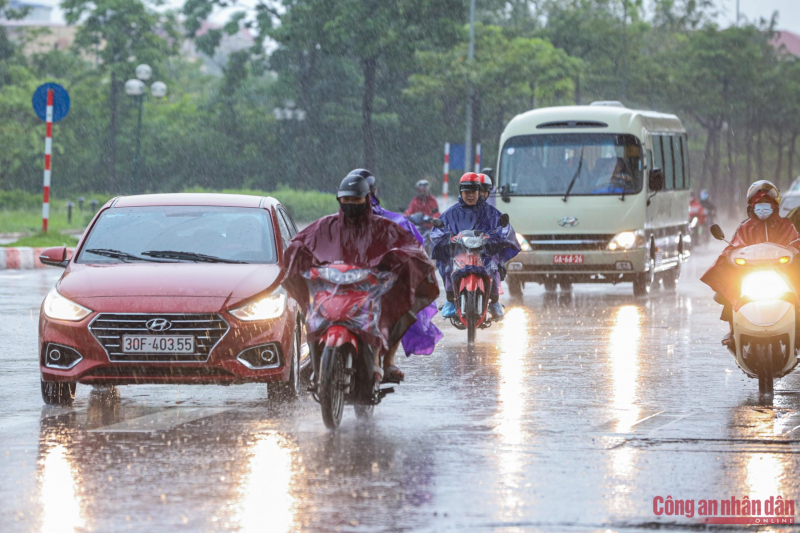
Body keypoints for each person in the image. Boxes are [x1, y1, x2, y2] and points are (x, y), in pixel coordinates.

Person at [281, 172, 439, 384]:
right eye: (346, 200)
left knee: (388, 312)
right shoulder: (327, 226)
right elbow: (302, 242)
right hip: (333, 290)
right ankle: (315, 363)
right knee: (312, 317)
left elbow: (409, 247)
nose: (351, 204)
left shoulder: (385, 226)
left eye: (356, 199)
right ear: (339, 199)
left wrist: (399, 264)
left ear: (368, 198)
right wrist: (296, 256)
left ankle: (382, 361)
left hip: (371, 291)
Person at [353, 168, 443, 376]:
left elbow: (413, 246)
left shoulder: (391, 221)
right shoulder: (335, 223)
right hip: (348, 280)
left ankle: (387, 361)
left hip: (379, 281)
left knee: (401, 306)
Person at [701, 180, 800, 345]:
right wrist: (730, 258)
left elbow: (795, 243)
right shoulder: (744, 228)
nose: (762, 207)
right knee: (729, 293)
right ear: (752, 206)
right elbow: (733, 248)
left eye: (766, 203)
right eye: (758, 203)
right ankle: (733, 330)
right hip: (750, 277)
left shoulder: (786, 227)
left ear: (774, 205)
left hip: (782, 277)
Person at [431, 172, 521, 320]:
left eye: (473, 191)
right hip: (459, 253)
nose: (470, 195)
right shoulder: (451, 213)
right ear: (461, 192)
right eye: (466, 191)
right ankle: (450, 300)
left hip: (484, 253)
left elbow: (503, 228)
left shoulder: (491, 212)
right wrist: (448, 238)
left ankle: (494, 300)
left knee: (495, 264)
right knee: (446, 265)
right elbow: (438, 230)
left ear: (479, 192)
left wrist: (495, 239)